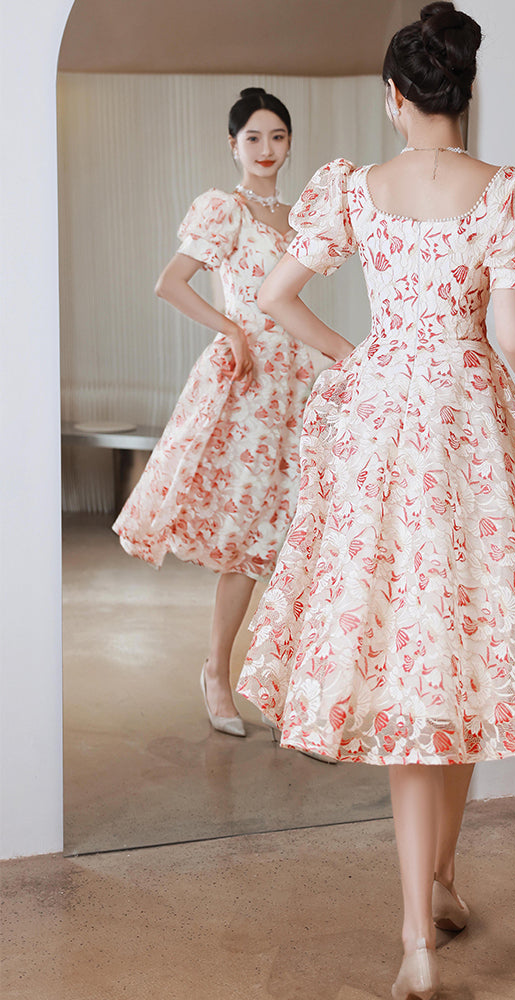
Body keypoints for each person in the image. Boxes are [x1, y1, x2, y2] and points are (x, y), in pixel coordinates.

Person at [237, 3, 515, 995]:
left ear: (394, 97)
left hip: (386, 424)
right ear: (463, 93)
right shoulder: (512, 191)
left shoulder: (354, 187)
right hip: (474, 425)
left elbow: (275, 295)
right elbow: (514, 337)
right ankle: (436, 884)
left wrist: (363, 361)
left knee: (407, 657)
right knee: (468, 648)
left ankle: (420, 932)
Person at [114, 88, 315, 739]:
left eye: (277, 136)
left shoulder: (300, 215)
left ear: (289, 143)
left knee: (297, 541)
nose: (266, 149)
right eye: (253, 137)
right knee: (249, 541)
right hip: (250, 386)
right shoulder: (223, 209)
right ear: (234, 145)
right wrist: (230, 330)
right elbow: (170, 282)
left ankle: (288, 685)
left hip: (299, 383)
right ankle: (217, 673)